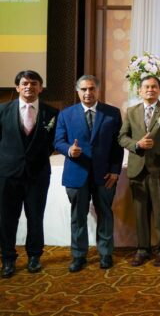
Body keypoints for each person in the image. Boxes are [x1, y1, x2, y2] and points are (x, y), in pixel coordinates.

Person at [54, 75, 123, 272]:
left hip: (104, 175)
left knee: (105, 214)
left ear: (97, 90)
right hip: (77, 174)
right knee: (78, 217)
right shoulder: (66, 114)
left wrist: (115, 171)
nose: (88, 93)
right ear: (78, 91)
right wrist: (69, 150)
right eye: (83, 89)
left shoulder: (112, 113)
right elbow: (58, 141)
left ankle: (105, 254)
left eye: (92, 89)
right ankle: (78, 256)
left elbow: (117, 146)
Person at [0, 70, 58, 278]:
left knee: (35, 217)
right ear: (17, 87)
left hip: (38, 174)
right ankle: (8, 259)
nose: (29, 86)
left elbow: (54, 142)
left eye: (34, 83)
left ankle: (34, 256)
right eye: (24, 83)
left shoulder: (52, 113)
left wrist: (37, 158)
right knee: (6, 219)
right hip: (8, 174)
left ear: (40, 88)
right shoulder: (2, 110)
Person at [118, 75, 160, 267]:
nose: (150, 89)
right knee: (140, 212)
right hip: (137, 169)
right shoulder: (131, 111)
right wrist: (137, 144)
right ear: (140, 90)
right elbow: (122, 137)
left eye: (154, 86)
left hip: (159, 170)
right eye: (146, 87)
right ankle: (142, 249)